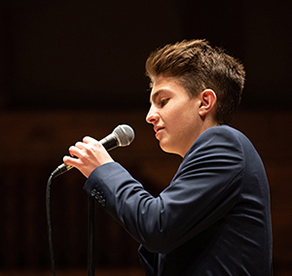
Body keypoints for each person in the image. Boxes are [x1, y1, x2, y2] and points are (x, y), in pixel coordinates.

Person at [63, 39, 273, 275]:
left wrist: (104, 170)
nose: (150, 116)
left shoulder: (224, 143)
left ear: (205, 102)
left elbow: (156, 227)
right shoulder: (209, 157)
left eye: (163, 101)